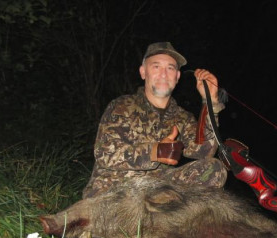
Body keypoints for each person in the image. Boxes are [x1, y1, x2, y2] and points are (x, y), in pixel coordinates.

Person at [82, 42, 228, 198]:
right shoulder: (122, 106)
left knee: (214, 169)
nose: (164, 74)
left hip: (156, 193)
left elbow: (204, 152)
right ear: (143, 72)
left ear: (177, 76)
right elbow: (104, 153)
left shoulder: (182, 117)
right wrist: (154, 152)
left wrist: (210, 101)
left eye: (170, 68)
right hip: (116, 192)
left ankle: (171, 214)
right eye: (156, 67)